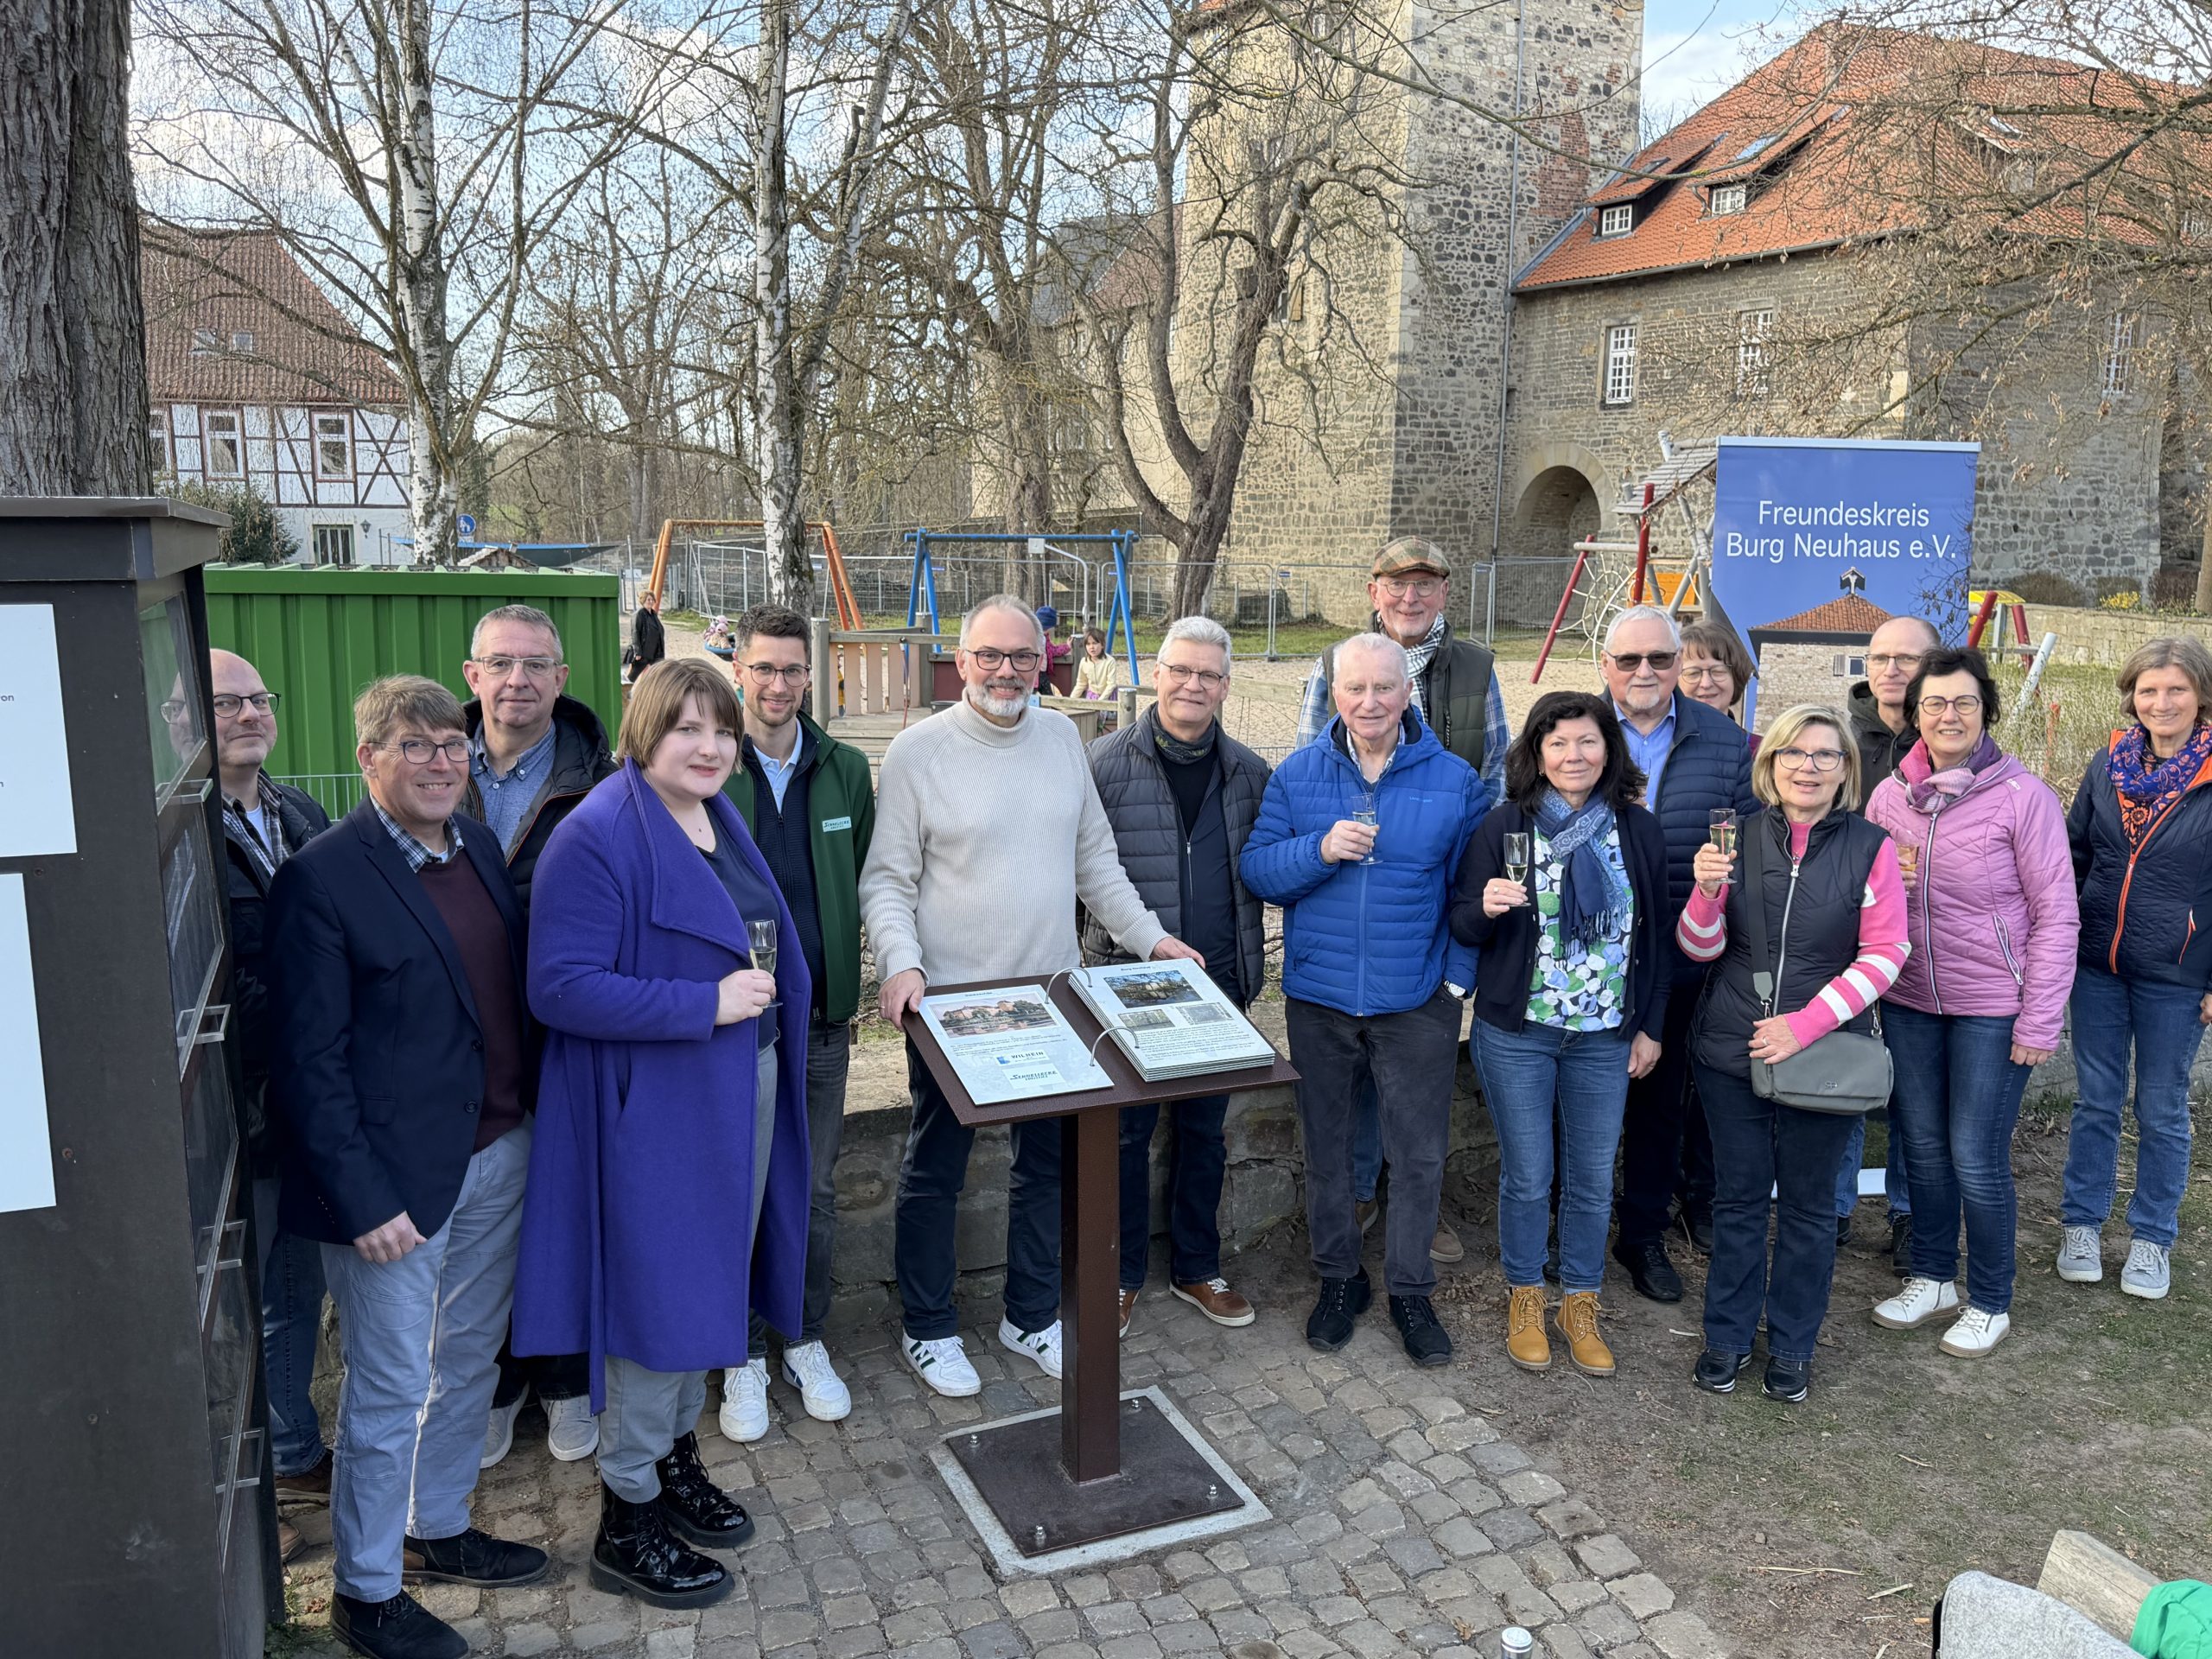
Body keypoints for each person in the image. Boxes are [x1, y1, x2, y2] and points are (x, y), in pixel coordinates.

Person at [511, 658, 810, 1611]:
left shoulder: (715, 815)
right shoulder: (596, 834)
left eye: (721, 729)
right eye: (687, 729)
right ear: (645, 733)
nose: (711, 746)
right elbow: (558, 987)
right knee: (656, 1299)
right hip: (661, 1108)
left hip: (735, 1086)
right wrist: (703, 1003)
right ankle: (627, 1516)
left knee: (710, 1279)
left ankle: (675, 1457)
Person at [268, 676, 546, 1659]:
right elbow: (307, 1062)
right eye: (416, 747)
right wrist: (361, 1198)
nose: (441, 762)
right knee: (387, 1389)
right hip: (389, 1192)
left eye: (451, 745)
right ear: (368, 760)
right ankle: (364, 1589)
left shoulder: (472, 845)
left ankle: (436, 1527)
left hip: (496, 1151)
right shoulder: (321, 877)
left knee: (467, 1357)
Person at [860, 595, 1200, 1395]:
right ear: (961, 660)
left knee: (1043, 1167)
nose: (1007, 671)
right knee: (935, 1167)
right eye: (990, 656)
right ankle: (930, 1327)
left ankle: (1029, 1312)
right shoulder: (917, 753)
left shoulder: (1060, 740)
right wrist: (899, 965)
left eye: (1023, 657)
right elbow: (888, 879)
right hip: (950, 1005)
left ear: (1043, 661)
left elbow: (1097, 866)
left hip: (1051, 999)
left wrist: (1154, 940)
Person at [1244, 632, 1488, 1368]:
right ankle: (1339, 1279)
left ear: (1406, 694)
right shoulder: (1297, 775)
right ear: (1336, 694)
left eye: (1384, 688)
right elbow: (1259, 871)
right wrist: (1317, 850)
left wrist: (1456, 979)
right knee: (1327, 1149)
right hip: (1319, 995)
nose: (1370, 702)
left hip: (1417, 998)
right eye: (1356, 689)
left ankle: (1411, 1290)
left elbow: (1472, 892)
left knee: (1416, 1154)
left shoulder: (1452, 780)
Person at [1676, 705, 1909, 1403]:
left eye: (1824, 756)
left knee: (1808, 1209)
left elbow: (1887, 953)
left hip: (1823, 1052)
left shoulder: (1872, 847)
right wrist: (1706, 892)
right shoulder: (1735, 838)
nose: (1807, 767)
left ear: (1845, 771)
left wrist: (1803, 1026)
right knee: (1740, 1200)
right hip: (1729, 1048)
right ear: (1770, 765)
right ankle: (1726, 1338)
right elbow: (1698, 949)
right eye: (1793, 755)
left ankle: (1794, 1344)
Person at [1294, 537, 1507, 1265]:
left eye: (1425, 584)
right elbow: (1307, 769)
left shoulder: (1478, 667)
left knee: (1415, 1084)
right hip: (1347, 900)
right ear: (1372, 591)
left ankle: (1416, 1208)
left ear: (1445, 592)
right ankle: (1357, 1194)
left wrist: (1462, 943)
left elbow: (1499, 775)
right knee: (1348, 1074)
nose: (1410, 597)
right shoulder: (1335, 664)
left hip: (1433, 889)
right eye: (1396, 584)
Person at [1864, 646, 2077, 1358]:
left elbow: (2057, 915)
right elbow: (1866, 902)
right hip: (1911, 998)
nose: (1948, 716)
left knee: (1975, 1154)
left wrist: (2040, 1018)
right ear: (1914, 713)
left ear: (1985, 710)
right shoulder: (1889, 797)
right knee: (1920, 1147)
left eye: (1963, 703)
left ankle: (1990, 1298)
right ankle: (1933, 1276)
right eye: (1934, 704)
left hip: (1994, 1005)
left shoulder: (2024, 798)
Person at [1448, 692, 1668, 1378]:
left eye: (1588, 743)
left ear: (1610, 750)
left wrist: (1650, 1027)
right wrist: (1483, 908)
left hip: (1605, 1035)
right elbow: (1461, 922)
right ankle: (1524, 1296)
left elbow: (1655, 938)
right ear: (1536, 753)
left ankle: (1580, 1300)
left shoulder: (1636, 829)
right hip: (1521, 1031)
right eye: (1559, 743)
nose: (1574, 756)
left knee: (1593, 1178)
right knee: (1528, 1176)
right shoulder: (1505, 825)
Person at [463, 604, 619, 1470]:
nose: (517, 680)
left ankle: (562, 1379)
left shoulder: (600, 782)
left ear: (561, 680)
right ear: (471, 675)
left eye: (535, 666)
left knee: (563, 1213)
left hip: (564, 1034)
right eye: (500, 663)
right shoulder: (434, 766)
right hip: (460, 1039)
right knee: (479, 1225)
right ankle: (492, 1387)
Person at [1085, 617, 1272, 1335]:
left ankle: (1197, 1267)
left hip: (1218, 982)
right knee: (1126, 1137)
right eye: (1181, 670)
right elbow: (1079, 874)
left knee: (1204, 1133)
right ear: (1157, 675)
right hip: (1126, 981)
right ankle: (1121, 1273)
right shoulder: (1102, 764)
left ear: (1225, 686)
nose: (1194, 685)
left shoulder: (1249, 773)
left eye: (1209, 675)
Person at [718, 603, 875, 1437]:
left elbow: (861, 877)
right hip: (729, 1025)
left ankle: (803, 1336)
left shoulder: (844, 770)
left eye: (792, 670)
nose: (778, 685)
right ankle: (738, 1353)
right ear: (736, 671)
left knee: (812, 1191)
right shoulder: (708, 762)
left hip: (822, 1023)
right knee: (740, 1187)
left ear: (811, 677)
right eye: (763, 668)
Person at [212, 649, 334, 1560]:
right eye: (228, 703)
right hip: (234, 1108)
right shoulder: (174, 833)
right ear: (185, 719)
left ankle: (293, 1450)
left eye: (261, 697)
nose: (251, 714)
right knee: (241, 1299)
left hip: (306, 1098)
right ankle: (255, 1484)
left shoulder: (297, 811)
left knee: (297, 1285)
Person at [1601, 606, 1758, 1300]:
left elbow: (1742, 839)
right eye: (1629, 660)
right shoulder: (1575, 731)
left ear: (1677, 665)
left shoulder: (1724, 743)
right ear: (1605, 666)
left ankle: (1642, 1234)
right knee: (1573, 1099)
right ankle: (1562, 1229)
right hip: (1589, 954)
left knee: (1662, 1100)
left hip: (1683, 951)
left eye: (1659, 660)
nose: (1645, 673)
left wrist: (1714, 891)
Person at [2059, 637, 2212, 1301]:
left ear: (2201, 695)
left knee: (2162, 1107)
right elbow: (2073, 853)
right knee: (2095, 1100)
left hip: (2178, 971)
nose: (2162, 703)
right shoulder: (2108, 766)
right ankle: (2082, 1225)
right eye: (2149, 691)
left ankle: (2151, 1239)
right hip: (2098, 962)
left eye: (2176, 689)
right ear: (2132, 697)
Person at [1844, 615, 1940, 1264]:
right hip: (1844, 935)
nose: (1892, 670)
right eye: (1880, 657)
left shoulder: (1954, 742)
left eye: (1908, 658)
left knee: (1913, 1087)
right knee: (1843, 1075)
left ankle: (1908, 1214)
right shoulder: (1839, 738)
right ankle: (1832, 1209)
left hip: (1928, 941)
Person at [1679, 620, 1758, 743]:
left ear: (1736, 676)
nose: (1706, 683)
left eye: (1718, 671)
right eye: (1693, 673)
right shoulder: (1654, 750)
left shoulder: (1761, 753)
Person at [1074, 626, 1127, 702]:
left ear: (1102, 645)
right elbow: (1081, 683)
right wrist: (1070, 700)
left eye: (1094, 643)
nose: (1091, 647)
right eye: (1088, 644)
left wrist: (1100, 701)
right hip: (1092, 696)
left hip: (1108, 697)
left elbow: (1111, 684)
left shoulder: (1110, 661)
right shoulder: (1084, 662)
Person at [626, 588, 667, 683]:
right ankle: (624, 692)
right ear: (643, 600)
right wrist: (638, 652)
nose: (651, 601)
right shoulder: (638, 614)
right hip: (644, 652)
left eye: (652, 599)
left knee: (658, 674)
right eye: (648, 599)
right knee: (633, 675)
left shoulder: (653, 614)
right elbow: (635, 632)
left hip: (655, 652)